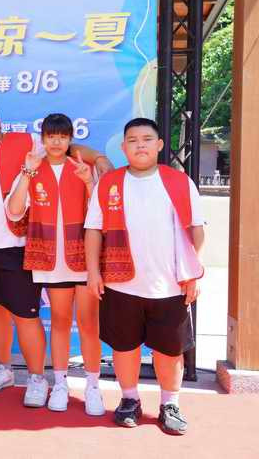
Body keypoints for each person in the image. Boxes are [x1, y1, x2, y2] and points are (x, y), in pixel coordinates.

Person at [0, 98, 111, 408]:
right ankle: (3, 369)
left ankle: (38, 377)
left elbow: (63, 145)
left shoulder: (26, 141)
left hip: (17, 245)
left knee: (26, 315)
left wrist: (100, 158)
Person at [85, 118, 204, 435]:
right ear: (123, 147)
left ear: (159, 145)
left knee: (169, 350)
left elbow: (196, 230)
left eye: (147, 139)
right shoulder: (108, 183)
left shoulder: (179, 182)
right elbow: (93, 230)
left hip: (170, 285)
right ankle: (129, 399)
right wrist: (93, 272)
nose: (140, 145)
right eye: (133, 140)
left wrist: (192, 273)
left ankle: (170, 404)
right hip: (120, 283)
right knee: (124, 346)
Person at [5, 113, 104, 415]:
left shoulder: (83, 168)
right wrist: (26, 173)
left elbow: (101, 213)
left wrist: (89, 182)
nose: (57, 142)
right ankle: (60, 384)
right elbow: (14, 211)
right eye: (51, 136)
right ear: (43, 139)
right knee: (60, 322)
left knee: (89, 324)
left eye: (62, 136)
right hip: (50, 260)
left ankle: (93, 386)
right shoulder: (33, 169)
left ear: (71, 138)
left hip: (84, 259)